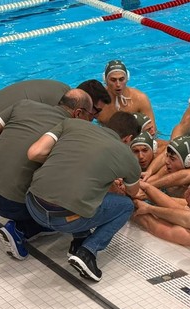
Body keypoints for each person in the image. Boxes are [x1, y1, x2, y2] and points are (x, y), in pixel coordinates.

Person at [0, 89, 94, 260]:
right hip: (12, 202)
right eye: (90, 117)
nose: (90, 123)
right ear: (78, 113)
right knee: (65, 210)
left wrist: (10, 151)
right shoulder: (70, 131)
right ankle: (19, 230)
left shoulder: (24, 105)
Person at [25, 111, 141, 282]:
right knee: (125, 206)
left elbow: (36, 152)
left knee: (83, 190)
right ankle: (88, 251)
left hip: (32, 205)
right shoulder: (127, 156)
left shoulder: (72, 124)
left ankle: (78, 240)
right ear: (128, 138)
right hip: (65, 219)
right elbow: (132, 193)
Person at [0, 79, 110, 157]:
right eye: (95, 111)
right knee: (37, 158)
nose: (95, 117)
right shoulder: (57, 110)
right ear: (85, 103)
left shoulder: (61, 89)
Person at [133, 176, 190, 250]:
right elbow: (177, 207)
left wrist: (131, 204)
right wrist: (145, 189)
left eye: (189, 194)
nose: (185, 195)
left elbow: (161, 229)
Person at [97, 60, 156, 129]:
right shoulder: (97, 100)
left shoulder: (140, 99)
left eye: (121, 79)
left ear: (127, 78)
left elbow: (152, 130)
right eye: (113, 80)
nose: (118, 84)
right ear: (105, 80)